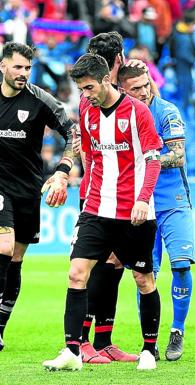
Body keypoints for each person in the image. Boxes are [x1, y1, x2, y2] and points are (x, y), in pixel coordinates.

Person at [42, 53, 163, 371]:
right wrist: (67, 177)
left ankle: (149, 349)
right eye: (81, 89)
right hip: (96, 209)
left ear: (107, 80)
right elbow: (89, 154)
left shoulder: (137, 112)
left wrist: (142, 198)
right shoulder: (86, 109)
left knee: (143, 278)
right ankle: (72, 351)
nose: (86, 94)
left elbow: (153, 159)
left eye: (90, 87)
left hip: (134, 212)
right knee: (76, 273)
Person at [0, 42, 74, 351]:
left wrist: (62, 170)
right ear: (3, 66)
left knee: (16, 260)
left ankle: (0, 328)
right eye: (17, 67)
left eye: (28, 68)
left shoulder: (39, 100)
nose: (23, 73)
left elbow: (74, 132)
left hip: (28, 190)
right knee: (3, 247)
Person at [118, 65, 195, 359]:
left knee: (180, 265)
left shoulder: (166, 111)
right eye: (136, 88)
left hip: (173, 199)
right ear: (124, 89)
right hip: (140, 202)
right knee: (143, 272)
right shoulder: (122, 114)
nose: (143, 91)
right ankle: (148, 339)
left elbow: (177, 156)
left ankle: (177, 331)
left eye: (146, 84)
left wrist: (145, 162)